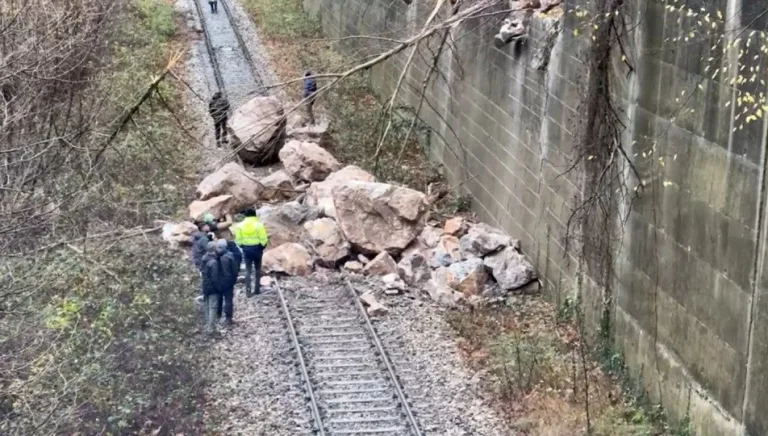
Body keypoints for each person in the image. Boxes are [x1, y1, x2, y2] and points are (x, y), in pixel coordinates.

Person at [233, 208, 268, 297]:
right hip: (257, 249)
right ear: (254, 215)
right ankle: (257, 289)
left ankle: (248, 291)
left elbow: (238, 240)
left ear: (245, 216)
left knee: (248, 270)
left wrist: (243, 246)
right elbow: (263, 238)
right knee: (257, 269)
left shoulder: (240, 225)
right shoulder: (259, 225)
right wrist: (262, 246)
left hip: (246, 249)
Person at [214, 239, 239, 326]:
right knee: (228, 300)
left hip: (218, 282)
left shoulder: (214, 256)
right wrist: (234, 280)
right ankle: (228, 318)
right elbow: (234, 270)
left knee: (218, 299)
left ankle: (217, 316)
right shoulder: (230, 256)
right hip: (228, 282)